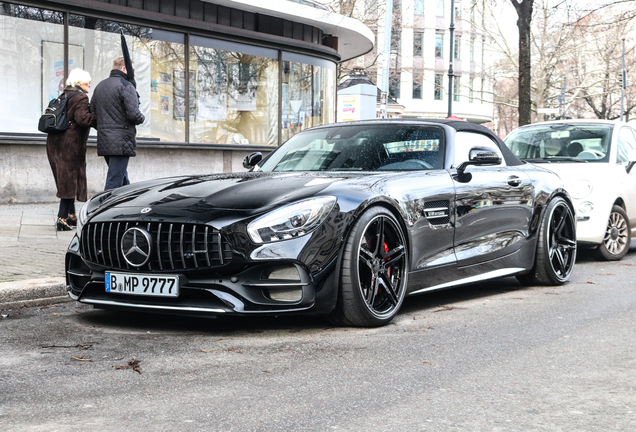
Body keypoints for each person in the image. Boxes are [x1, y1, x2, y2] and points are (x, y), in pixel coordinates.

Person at [46, 68, 96, 231]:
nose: (89, 84)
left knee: (66, 179)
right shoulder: (81, 97)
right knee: (69, 179)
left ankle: (71, 216)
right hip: (70, 144)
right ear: (79, 83)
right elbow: (83, 119)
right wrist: (97, 114)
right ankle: (62, 218)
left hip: (55, 142)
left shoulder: (64, 95)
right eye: (86, 81)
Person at [91, 56, 145, 191]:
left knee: (122, 178)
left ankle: (129, 205)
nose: (134, 73)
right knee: (114, 181)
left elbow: (92, 113)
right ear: (124, 68)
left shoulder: (100, 86)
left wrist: (103, 128)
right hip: (121, 140)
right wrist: (142, 118)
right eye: (132, 70)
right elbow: (134, 114)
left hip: (105, 139)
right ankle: (103, 209)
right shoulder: (127, 85)